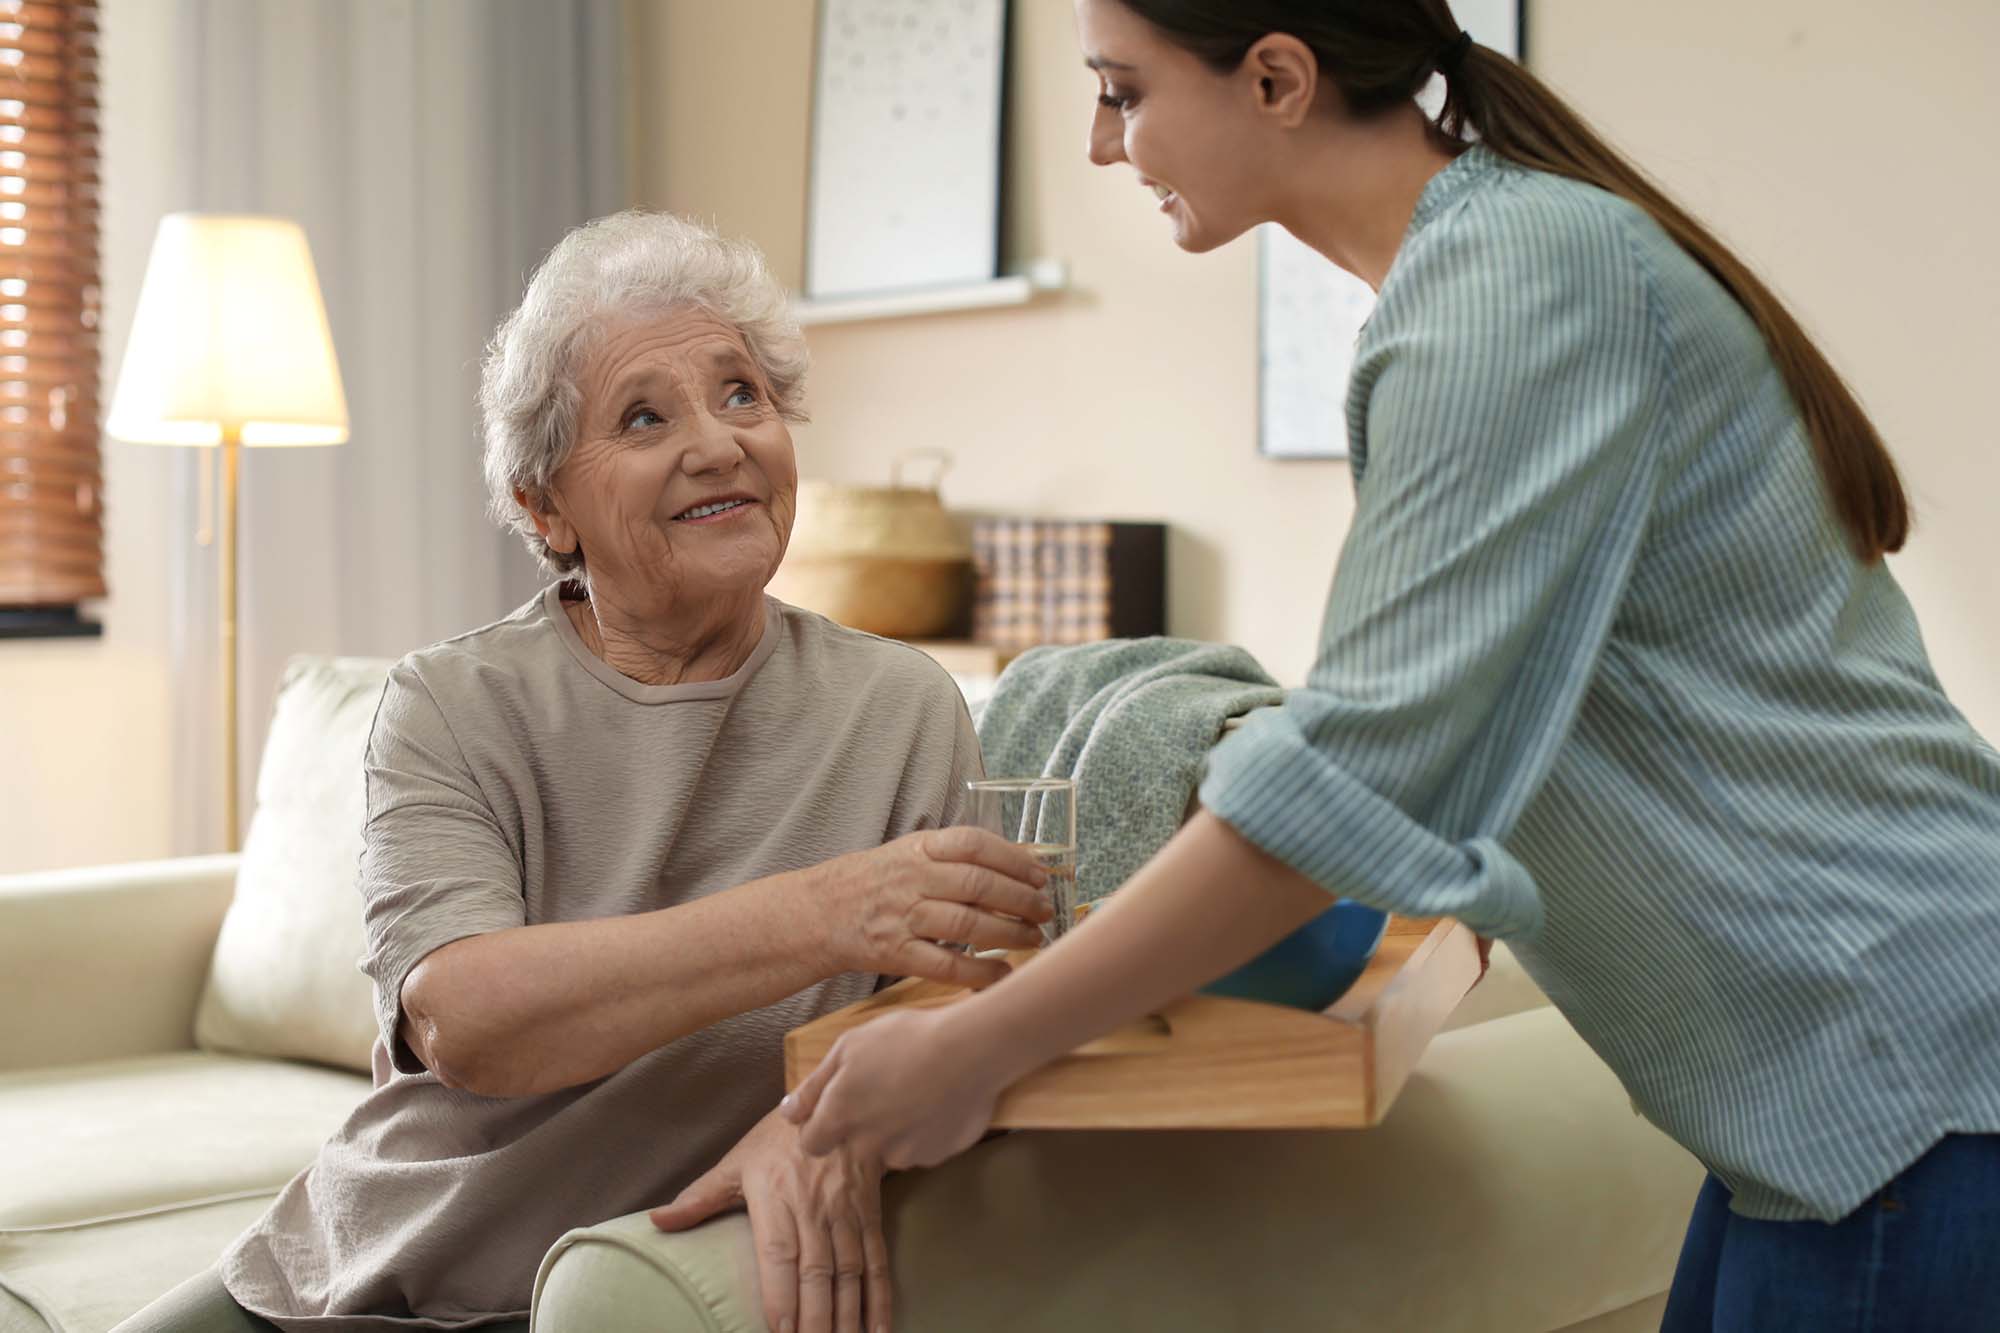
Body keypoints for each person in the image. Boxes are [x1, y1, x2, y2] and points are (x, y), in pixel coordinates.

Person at [784, 3, 2000, 1325]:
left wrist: (973, 1049)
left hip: (1900, 1081)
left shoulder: (1512, 288)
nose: (1098, 144)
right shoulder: (1486, 274)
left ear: (1276, 78)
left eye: (1122, 92)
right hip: (1848, 1102)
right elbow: (1447, 732)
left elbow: (1351, 776)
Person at [114, 211, 1052, 1333]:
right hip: (379, 1271)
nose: (718, 444)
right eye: (643, 416)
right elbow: (470, 1022)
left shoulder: (899, 708)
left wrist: (809, 1124)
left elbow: (951, 1003)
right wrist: (825, 913)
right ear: (543, 505)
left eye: (742, 394)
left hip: (632, 1286)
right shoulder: (449, 706)